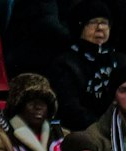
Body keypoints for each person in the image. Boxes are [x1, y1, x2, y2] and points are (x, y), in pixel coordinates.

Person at [48, 0, 121, 129]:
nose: (100, 28)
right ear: (79, 27)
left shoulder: (122, 61)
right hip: (85, 132)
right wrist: (104, 129)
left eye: (104, 23)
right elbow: (71, 109)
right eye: (93, 22)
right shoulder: (65, 64)